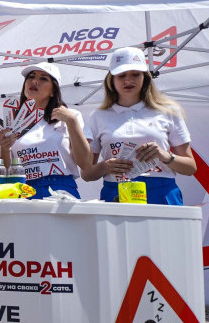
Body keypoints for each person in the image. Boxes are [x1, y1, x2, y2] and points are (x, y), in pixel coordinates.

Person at [83, 46, 197, 205]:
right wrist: (105, 166)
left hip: (162, 191)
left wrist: (164, 156)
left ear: (145, 77)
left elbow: (190, 168)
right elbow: (87, 174)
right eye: (121, 75)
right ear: (111, 80)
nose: (128, 80)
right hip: (115, 191)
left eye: (135, 74)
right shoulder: (98, 116)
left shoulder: (168, 110)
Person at [0, 60, 91, 199]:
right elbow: (4, 175)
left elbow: (86, 164)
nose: (35, 81)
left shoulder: (71, 116)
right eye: (31, 77)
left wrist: (71, 121)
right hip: (23, 190)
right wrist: (4, 149)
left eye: (43, 79)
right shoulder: (11, 122)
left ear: (53, 91)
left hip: (61, 188)